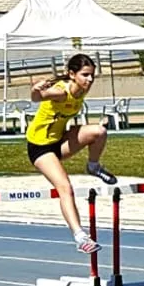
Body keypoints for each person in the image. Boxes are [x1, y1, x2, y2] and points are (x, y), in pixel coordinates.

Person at [26, 53, 119, 255]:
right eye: (85, 75)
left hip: (60, 141)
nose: (90, 80)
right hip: (40, 147)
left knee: (99, 131)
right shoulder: (61, 92)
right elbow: (36, 98)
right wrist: (35, 90)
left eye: (92, 75)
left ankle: (93, 166)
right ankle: (80, 237)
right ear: (72, 74)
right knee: (65, 187)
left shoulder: (82, 90)